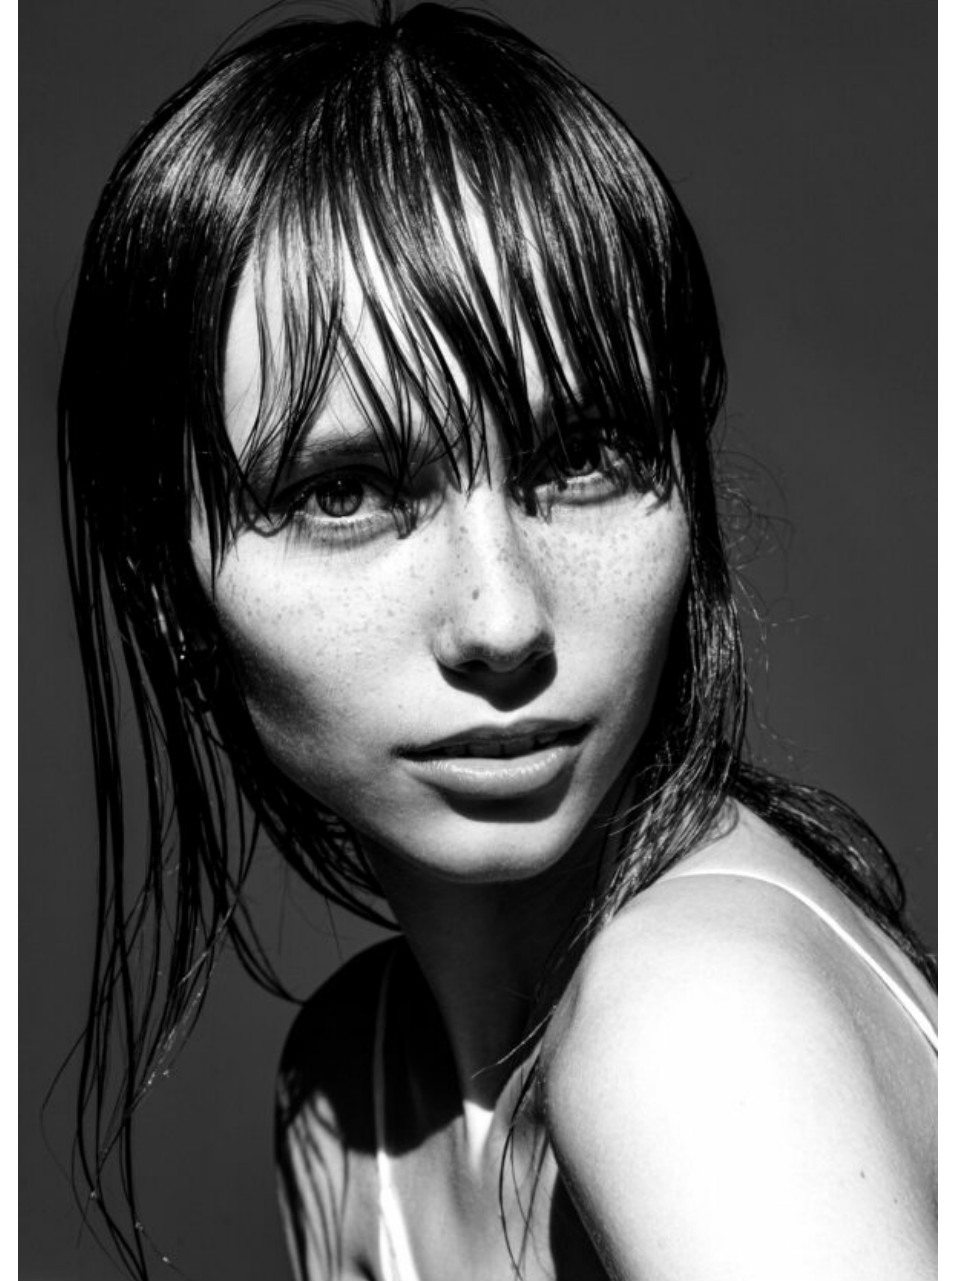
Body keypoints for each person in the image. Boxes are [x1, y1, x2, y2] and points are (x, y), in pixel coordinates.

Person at [58, 3, 937, 1278]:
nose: (504, 620)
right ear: (171, 596)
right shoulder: (352, 1099)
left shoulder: (697, 1023)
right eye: (345, 492)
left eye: (580, 459)